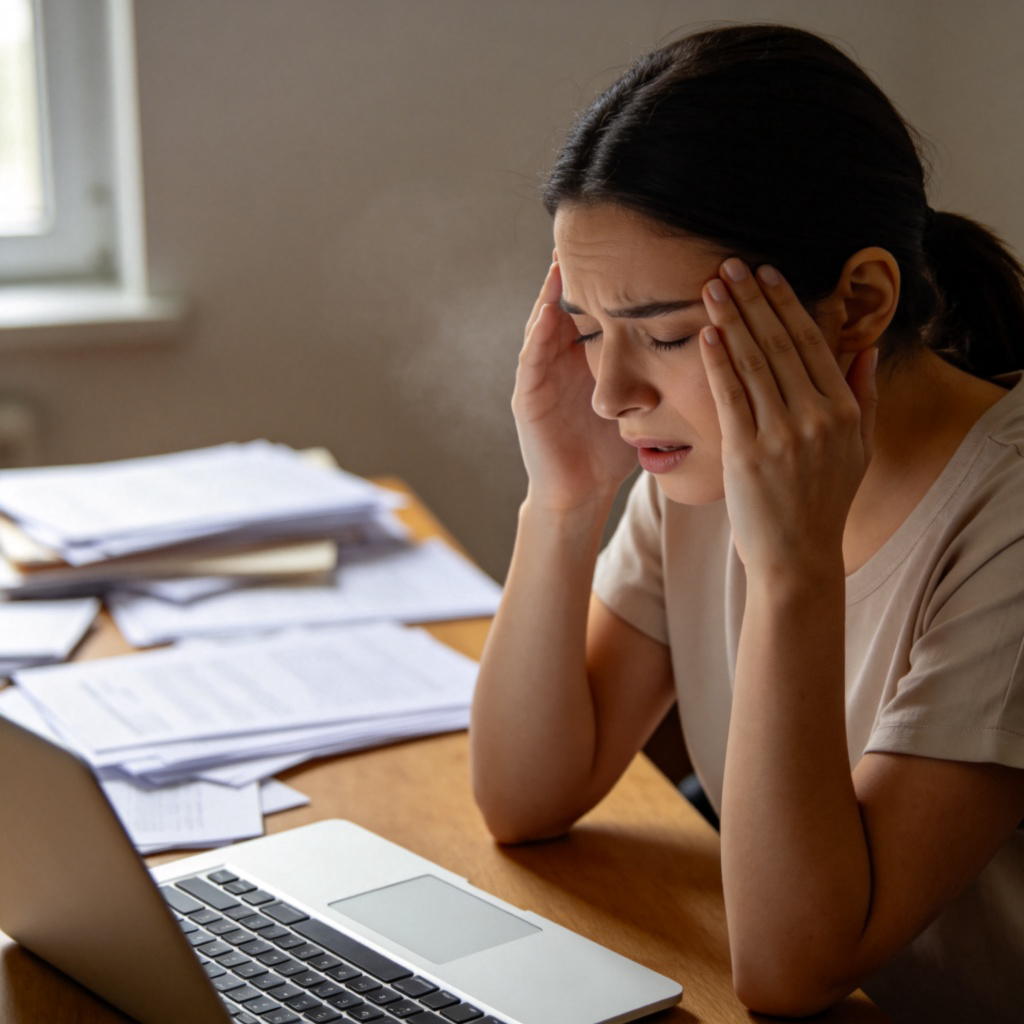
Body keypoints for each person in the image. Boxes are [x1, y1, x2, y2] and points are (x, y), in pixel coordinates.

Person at [468, 23, 1024, 1024]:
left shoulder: (1005, 516)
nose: (608, 391)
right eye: (588, 332)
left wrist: (791, 566)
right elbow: (522, 796)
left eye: (667, 334)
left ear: (856, 301)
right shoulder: (704, 458)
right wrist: (563, 501)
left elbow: (791, 968)